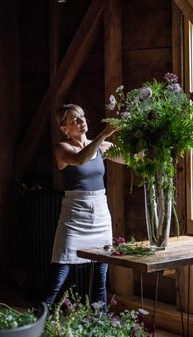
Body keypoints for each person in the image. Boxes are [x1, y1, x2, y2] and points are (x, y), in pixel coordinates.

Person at [45, 103, 122, 309]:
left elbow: (133, 158)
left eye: (82, 117)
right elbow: (80, 159)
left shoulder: (103, 148)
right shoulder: (62, 148)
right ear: (65, 129)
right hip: (74, 215)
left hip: (100, 214)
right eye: (74, 120)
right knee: (57, 279)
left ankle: (101, 327)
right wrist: (104, 134)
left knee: (100, 280)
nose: (81, 122)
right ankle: (35, 326)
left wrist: (151, 138)